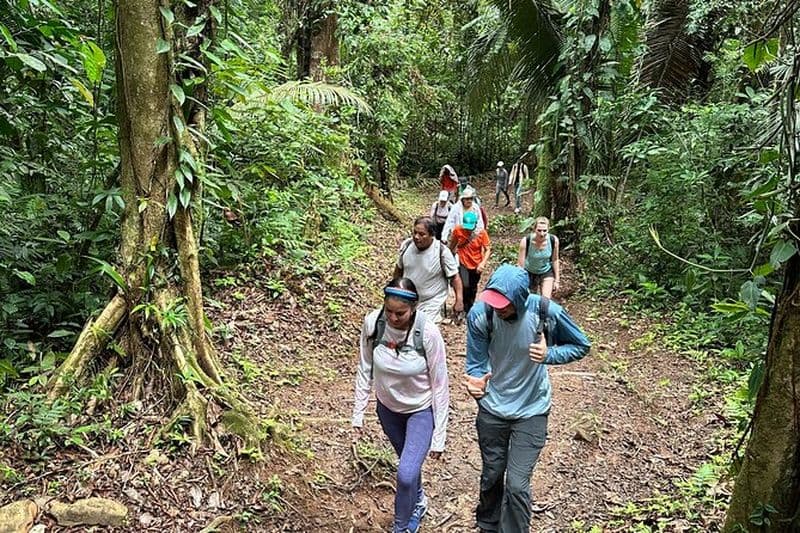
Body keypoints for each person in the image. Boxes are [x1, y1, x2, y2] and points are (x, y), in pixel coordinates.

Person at [463, 264, 591, 533]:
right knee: (492, 475)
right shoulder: (481, 313)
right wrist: (475, 382)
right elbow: (475, 363)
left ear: (521, 298)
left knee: (517, 484)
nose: (499, 308)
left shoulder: (545, 312)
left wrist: (549, 355)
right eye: (494, 302)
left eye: (505, 304)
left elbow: (581, 345)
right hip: (493, 409)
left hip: (531, 410)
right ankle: (487, 526)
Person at [352, 277, 450, 533]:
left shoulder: (427, 333)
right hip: (387, 410)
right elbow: (365, 367)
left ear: (414, 307)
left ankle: (402, 526)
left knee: (406, 473)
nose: (394, 318)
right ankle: (418, 501)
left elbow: (440, 385)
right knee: (409, 464)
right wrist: (358, 413)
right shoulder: (373, 323)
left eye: (401, 313)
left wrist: (439, 436)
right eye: (390, 312)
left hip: (420, 411)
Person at [395, 216, 463, 321]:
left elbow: (455, 277)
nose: (416, 237)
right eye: (415, 232)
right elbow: (398, 269)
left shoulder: (442, 252)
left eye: (422, 234)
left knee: (423, 331)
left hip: (432, 302)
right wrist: (395, 291)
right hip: (408, 299)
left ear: (432, 235)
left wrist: (459, 300)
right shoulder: (406, 246)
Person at [448, 211, 491, 314]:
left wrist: (483, 263)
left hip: (476, 264)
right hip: (462, 262)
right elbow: (452, 245)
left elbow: (488, 249)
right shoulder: (458, 230)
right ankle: (460, 306)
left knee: (472, 287)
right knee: (464, 285)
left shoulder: (481, 233)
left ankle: (469, 308)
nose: (468, 229)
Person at [517, 216, 560, 298]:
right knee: (530, 299)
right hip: (529, 272)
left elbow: (555, 259)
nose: (542, 234)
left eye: (545, 231)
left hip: (546, 271)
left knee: (545, 300)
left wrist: (557, 280)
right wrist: (520, 280)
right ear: (534, 229)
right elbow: (520, 264)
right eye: (539, 230)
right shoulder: (526, 241)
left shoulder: (553, 240)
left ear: (548, 230)